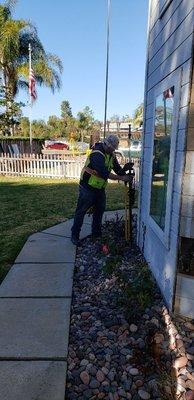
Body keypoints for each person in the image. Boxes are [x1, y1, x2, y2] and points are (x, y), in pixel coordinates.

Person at [71, 134, 131, 245]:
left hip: (99, 188)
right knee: (81, 211)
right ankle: (74, 235)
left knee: (99, 211)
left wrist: (125, 170)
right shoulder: (97, 154)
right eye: (112, 148)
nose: (113, 150)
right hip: (87, 187)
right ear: (107, 144)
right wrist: (121, 178)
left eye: (114, 148)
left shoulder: (111, 155)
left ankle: (96, 234)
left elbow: (117, 169)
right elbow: (104, 173)